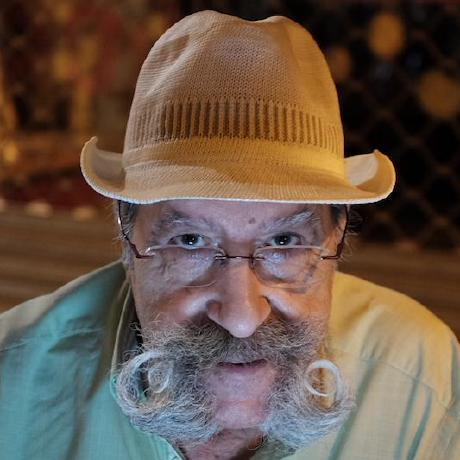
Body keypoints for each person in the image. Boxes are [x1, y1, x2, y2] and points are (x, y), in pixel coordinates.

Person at [0, 10, 459, 460]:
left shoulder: (420, 376)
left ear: (336, 237)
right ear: (126, 236)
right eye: (189, 242)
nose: (241, 319)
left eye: (284, 243)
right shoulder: (12, 385)